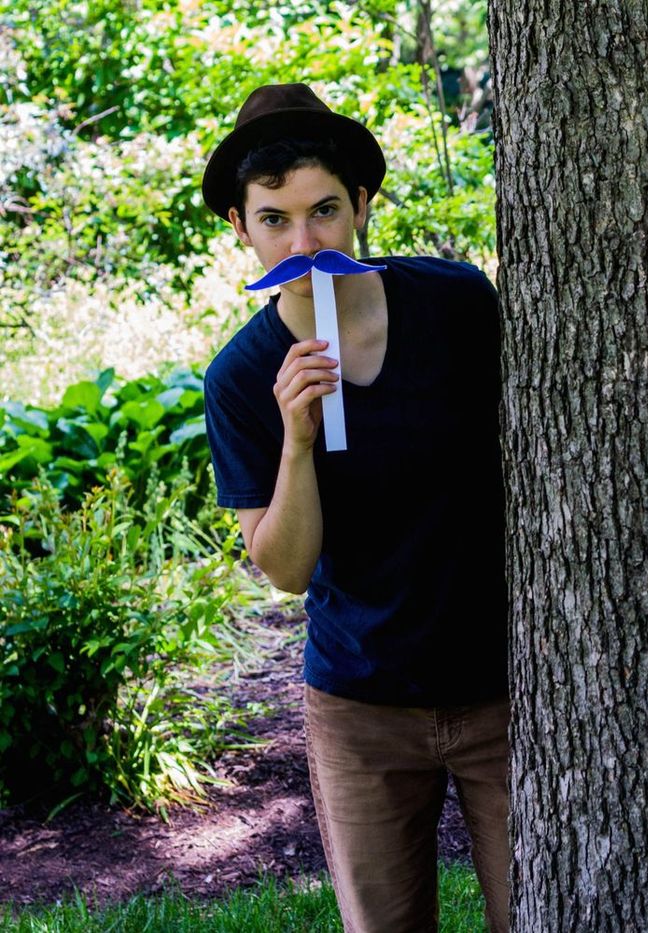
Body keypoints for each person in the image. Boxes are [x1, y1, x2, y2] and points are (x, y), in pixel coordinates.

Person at [200, 84, 509, 932]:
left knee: (543, 909)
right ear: (241, 227)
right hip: (361, 702)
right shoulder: (240, 378)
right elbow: (286, 569)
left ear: (363, 204)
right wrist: (296, 439)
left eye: (325, 210)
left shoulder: (456, 305)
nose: (303, 243)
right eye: (274, 220)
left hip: (505, 687)